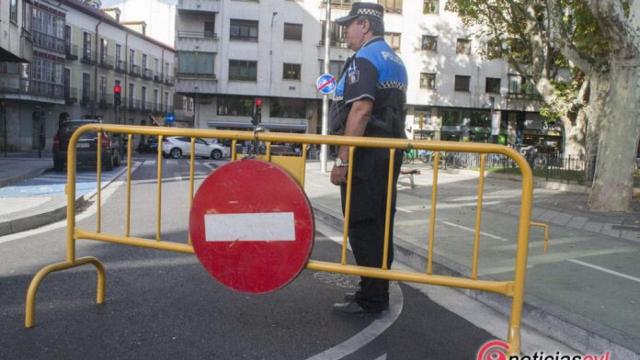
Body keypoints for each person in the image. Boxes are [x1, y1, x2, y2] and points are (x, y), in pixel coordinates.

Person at [328, 2, 408, 315]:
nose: (345, 31)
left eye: (348, 25)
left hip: (367, 156)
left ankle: (372, 298)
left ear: (365, 24)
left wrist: (343, 159)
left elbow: (361, 110)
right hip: (387, 153)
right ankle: (372, 288)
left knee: (363, 222)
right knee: (380, 221)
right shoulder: (394, 58)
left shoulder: (366, 58)